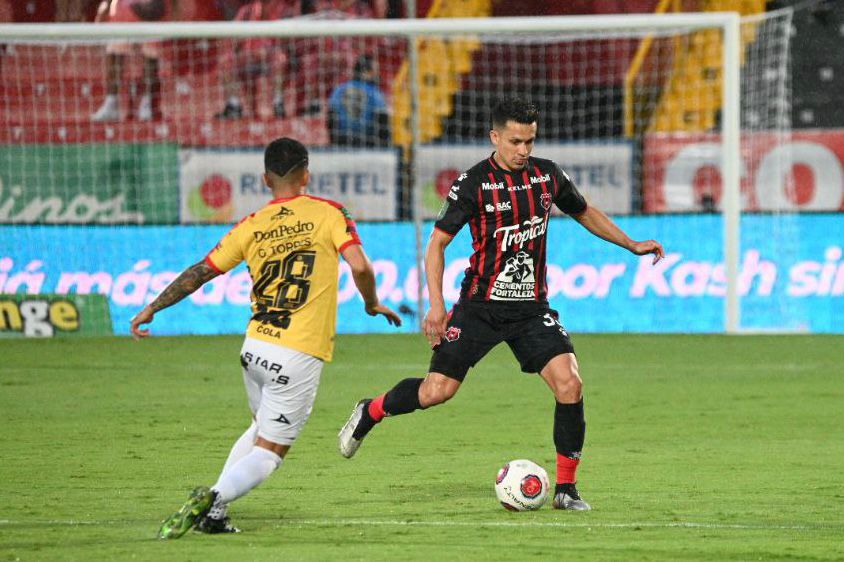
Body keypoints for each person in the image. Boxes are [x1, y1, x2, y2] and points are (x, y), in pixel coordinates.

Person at [338, 97, 665, 511]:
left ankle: (566, 490)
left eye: (529, 140)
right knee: (437, 391)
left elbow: (584, 212)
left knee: (571, 384)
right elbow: (437, 244)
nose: (524, 150)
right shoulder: (473, 183)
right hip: (478, 307)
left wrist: (632, 244)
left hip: (531, 310)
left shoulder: (547, 175)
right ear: (495, 137)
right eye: (515, 141)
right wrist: (436, 307)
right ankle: (372, 411)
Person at [130, 137, 401, 538]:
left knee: (260, 427)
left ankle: (215, 512)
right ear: (307, 173)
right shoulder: (330, 213)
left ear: (264, 179)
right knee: (271, 455)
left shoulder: (251, 225)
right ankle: (211, 495)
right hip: (297, 354)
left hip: (255, 347)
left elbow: (200, 272)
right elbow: (359, 264)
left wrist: (153, 307)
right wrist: (371, 303)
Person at [215, 0, 301, 119]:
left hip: (271, 59)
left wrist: (270, 50)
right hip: (248, 59)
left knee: (281, 58)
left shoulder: (283, 12)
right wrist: (243, 42)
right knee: (225, 61)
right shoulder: (246, 12)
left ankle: (278, 103)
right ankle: (233, 105)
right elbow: (232, 39)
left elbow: (290, 43)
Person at [90, 0, 172, 121]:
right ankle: (111, 103)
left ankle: (147, 103)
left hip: (152, 8)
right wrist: (106, 7)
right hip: (123, 10)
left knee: (150, 55)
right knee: (115, 53)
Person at [327, 54, 391, 147]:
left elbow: (331, 118)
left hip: (342, 142)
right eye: (374, 71)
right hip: (368, 143)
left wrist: (334, 142)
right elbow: (383, 122)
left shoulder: (339, 90)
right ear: (365, 72)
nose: (377, 75)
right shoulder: (375, 92)